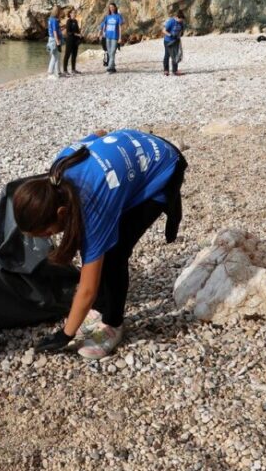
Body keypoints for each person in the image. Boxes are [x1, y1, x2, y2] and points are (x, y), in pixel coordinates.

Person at [12, 129, 187, 359]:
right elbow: (98, 135)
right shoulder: (59, 168)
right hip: (134, 143)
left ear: (62, 212)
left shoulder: (93, 208)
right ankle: (101, 307)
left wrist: (65, 335)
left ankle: (113, 324)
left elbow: (87, 288)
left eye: (46, 232)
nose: (47, 238)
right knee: (104, 248)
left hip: (163, 165)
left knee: (114, 254)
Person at [102, 3, 124, 73]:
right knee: (109, 52)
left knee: (112, 52)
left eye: (112, 7)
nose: (111, 8)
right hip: (108, 36)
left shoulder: (118, 16)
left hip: (115, 37)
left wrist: (120, 38)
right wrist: (103, 33)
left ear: (115, 7)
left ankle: (109, 67)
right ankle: (113, 67)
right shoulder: (107, 16)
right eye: (110, 7)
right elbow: (104, 25)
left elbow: (120, 28)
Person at [163, 9, 186, 75]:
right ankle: (166, 70)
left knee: (175, 55)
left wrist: (180, 34)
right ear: (177, 17)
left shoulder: (181, 23)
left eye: (182, 20)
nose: (181, 21)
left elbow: (181, 30)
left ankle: (175, 70)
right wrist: (171, 35)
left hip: (176, 41)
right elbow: (164, 30)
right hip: (168, 41)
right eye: (180, 19)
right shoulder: (171, 21)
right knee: (167, 55)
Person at [63, 7, 81, 74]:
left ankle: (73, 69)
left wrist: (80, 35)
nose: (74, 14)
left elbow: (78, 30)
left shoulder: (75, 21)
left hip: (75, 41)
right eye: (73, 13)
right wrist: (76, 34)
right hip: (69, 40)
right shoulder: (68, 21)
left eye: (75, 13)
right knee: (67, 55)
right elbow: (68, 32)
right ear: (70, 14)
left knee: (74, 55)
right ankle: (65, 70)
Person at [46, 7, 63, 78]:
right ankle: (50, 73)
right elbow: (54, 31)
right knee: (54, 56)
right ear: (57, 12)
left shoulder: (50, 19)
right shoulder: (54, 20)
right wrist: (58, 42)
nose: (61, 13)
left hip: (51, 39)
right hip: (54, 39)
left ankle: (57, 72)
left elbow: (54, 29)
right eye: (60, 12)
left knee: (56, 56)